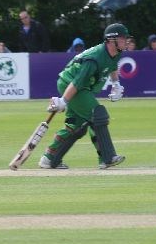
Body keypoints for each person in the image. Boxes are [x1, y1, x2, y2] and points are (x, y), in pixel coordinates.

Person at [38, 23, 128, 170]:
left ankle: (50, 158)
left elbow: (113, 66)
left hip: (80, 87)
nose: (126, 41)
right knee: (97, 114)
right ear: (111, 40)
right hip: (70, 84)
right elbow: (77, 82)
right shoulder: (94, 59)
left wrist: (116, 84)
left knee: (77, 125)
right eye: (123, 38)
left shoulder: (116, 52)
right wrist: (63, 101)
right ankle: (107, 157)